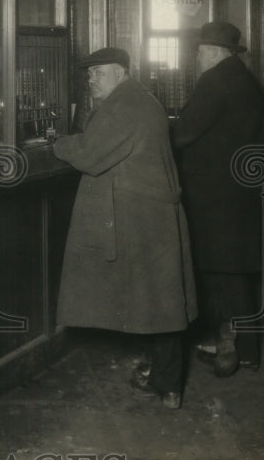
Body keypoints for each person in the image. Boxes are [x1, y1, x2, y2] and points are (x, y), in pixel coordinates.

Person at [52, 47, 197, 410]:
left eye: (99, 73)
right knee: (157, 301)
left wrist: (57, 143)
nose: (91, 81)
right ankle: (166, 382)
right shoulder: (141, 98)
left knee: (158, 304)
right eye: (89, 75)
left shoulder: (124, 104)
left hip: (142, 219)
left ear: (120, 73)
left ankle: (168, 385)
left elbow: (89, 153)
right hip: (150, 216)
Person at [171, 21, 264, 377]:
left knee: (221, 273)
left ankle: (234, 348)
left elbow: (183, 133)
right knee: (233, 273)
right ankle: (243, 350)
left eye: (199, 51)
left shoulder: (214, 81)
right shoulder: (245, 79)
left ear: (212, 52)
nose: (196, 58)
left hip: (215, 198)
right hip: (238, 194)